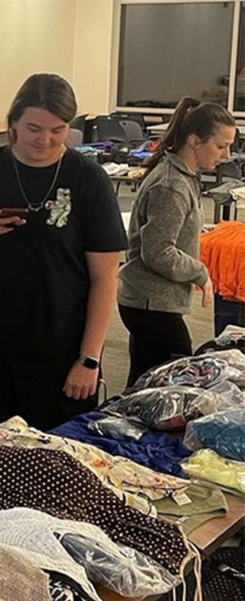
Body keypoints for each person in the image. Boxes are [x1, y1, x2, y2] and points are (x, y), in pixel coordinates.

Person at [0, 73, 127, 436]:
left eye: (57, 130)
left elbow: (105, 276)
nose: (44, 140)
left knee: (55, 454)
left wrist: (89, 359)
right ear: (13, 121)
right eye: (33, 128)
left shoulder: (87, 179)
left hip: (58, 345)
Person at [119, 98, 236, 386]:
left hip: (150, 302)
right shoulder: (172, 185)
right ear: (195, 141)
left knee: (143, 385)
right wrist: (200, 273)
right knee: (179, 386)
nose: (227, 155)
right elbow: (158, 251)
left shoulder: (183, 177)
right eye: (221, 146)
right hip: (151, 304)